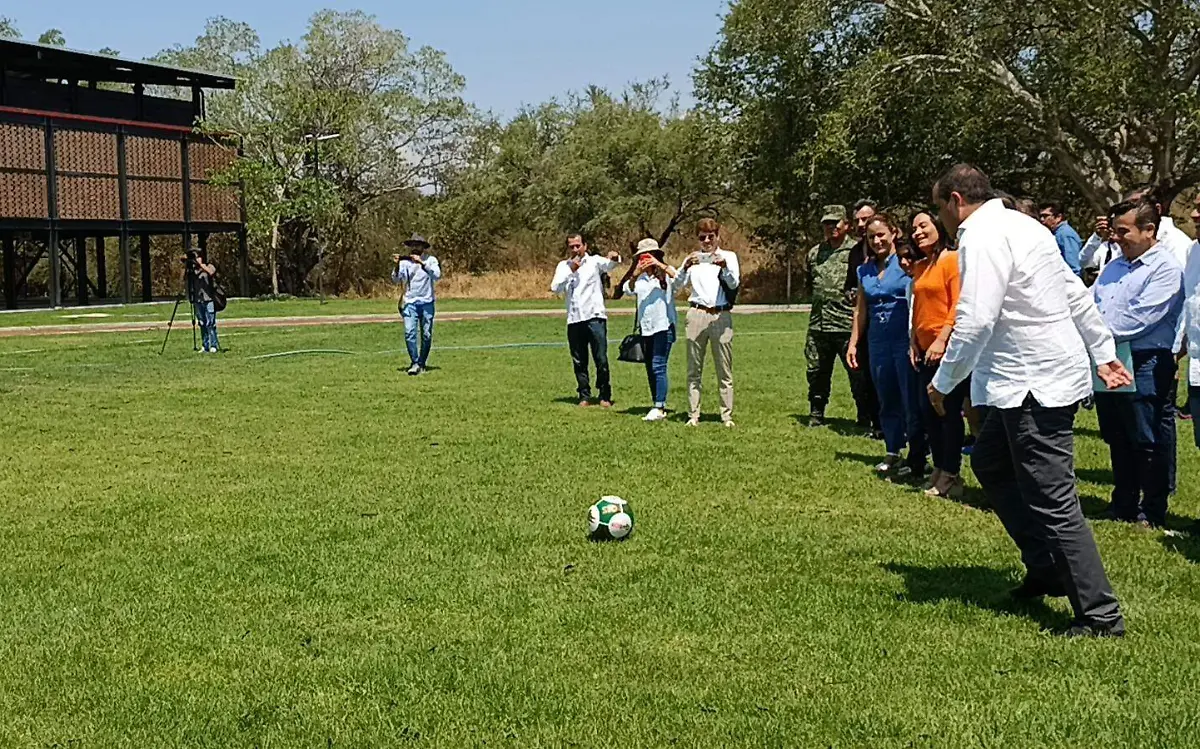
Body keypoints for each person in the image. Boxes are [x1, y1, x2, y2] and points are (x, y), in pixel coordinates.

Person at [928, 164, 1132, 638]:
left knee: (1053, 500)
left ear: (955, 200)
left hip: (1031, 386)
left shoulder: (981, 236)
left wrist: (944, 381)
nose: (941, 218)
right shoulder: (1025, 226)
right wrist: (1101, 354)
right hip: (1027, 382)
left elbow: (976, 319)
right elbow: (1077, 296)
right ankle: (1046, 568)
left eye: (939, 208)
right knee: (993, 464)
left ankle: (1101, 615)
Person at [1093, 200, 1184, 528]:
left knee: (1146, 437)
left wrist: (1093, 333)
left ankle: (1153, 509)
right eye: (1115, 231)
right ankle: (1124, 502)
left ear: (1149, 230)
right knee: (1117, 434)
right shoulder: (1114, 267)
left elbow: (1140, 319)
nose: (1116, 238)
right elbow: (1093, 303)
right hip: (1110, 358)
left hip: (1145, 359)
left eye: (1123, 231)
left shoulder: (1166, 269)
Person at [847, 214, 926, 479]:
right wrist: (853, 343)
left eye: (881, 235)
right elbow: (861, 309)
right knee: (886, 397)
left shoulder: (907, 265)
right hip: (877, 342)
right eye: (871, 237)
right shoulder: (864, 270)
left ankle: (919, 455)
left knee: (910, 399)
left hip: (904, 340)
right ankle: (893, 450)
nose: (877, 240)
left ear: (893, 233)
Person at [906, 211, 968, 499]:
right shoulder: (922, 265)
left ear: (938, 226)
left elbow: (958, 305)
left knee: (946, 412)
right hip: (922, 350)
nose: (918, 232)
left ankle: (951, 473)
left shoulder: (952, 260)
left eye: (923, 225)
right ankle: (940, 468)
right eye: (914, 228)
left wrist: (942, 340)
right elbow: (917, 307)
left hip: (946, 349)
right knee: (927, 412)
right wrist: (913, 342)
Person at [805, 205, 876, 430]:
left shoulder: (856, 251)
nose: (831, 227)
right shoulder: (815, 253)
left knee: (858, 375)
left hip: (847, 325)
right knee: (816, 372)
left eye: (835, 223)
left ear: (846, 225)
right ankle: (817, 413)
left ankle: (864, 416)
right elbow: (810, 285)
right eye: (827, 223)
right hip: (819, 326)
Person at [676, 218, 740, 428]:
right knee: (694, 368)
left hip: (721, 314)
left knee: (724, 368)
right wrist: (685, 267)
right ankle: (693, 414)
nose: (706, 241)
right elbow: (676, 285)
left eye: (710, 236)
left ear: (717, 236)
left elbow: (734, 283)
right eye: (702, 237)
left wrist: (724, 267)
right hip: (696, 313)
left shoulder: (728, 256)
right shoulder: (692, 259)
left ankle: (726, 415)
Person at [551, 234, 621, 407]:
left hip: (595, 317)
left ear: (585, 246)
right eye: (572, 247)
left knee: (601, 358)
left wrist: (615, 256)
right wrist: (571, 270)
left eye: (578, 246)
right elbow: (555, 287)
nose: (575, 249)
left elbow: (611, 264)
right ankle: (584, 394)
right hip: (575, 319)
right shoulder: (563, 266)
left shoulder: (594, 261)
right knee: (579, 360)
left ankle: (604, 394)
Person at [620, 238, 678, 422]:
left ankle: (659, 406)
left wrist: (659, 265)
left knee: (658, 365)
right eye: (642, 257)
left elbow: (679, 277)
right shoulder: (640, 278)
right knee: (650, 368)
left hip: (664, 326)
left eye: (649, 256)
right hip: (646, 328)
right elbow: (626, 290)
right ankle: (657, 402)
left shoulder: (665, 275)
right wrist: (635, 274)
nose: (645, 260)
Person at [391, 233, 442, 376]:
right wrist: (396, 265)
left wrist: (422, 263)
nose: (415, 248)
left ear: (423, 247)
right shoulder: (405, 262)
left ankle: (422, 362)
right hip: (410, 302)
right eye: (412, 245)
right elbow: (396, 279)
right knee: (409, 333)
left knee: (426, 334)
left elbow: (437, 275)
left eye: (417, 245)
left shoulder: (431, 260)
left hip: (427, 302)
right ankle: (414, 362)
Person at [185, 249, 220, 354]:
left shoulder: (209, 266)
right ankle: (205, 345)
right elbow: (184, 279)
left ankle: (213, 345)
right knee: (202, 323)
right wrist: (187, 266)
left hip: (208, 299)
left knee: (210, 323)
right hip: (198, 300)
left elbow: (211, 273)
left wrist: (201, 265)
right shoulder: (193, 270)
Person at [1039, 202, 1084, 277]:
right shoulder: (1056, 233)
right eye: (1041, 216)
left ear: (1058, 217)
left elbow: (1073, 267)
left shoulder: (1064, 234)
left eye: (1045, 216)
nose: (1042, 219)